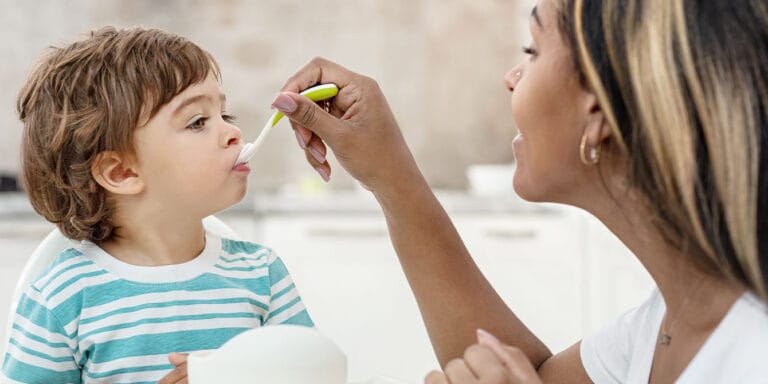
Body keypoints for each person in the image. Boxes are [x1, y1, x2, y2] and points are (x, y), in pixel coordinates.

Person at [270, 0, 768, 382]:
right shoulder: (663, 324)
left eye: (532, 50)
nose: (512, 78)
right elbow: (533, 376)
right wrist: (390, 175)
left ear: (598, 112)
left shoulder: (751, 350)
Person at [2, 27, 313, 384]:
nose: (233, 134)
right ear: (121, 172)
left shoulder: (262, 275)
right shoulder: (61, 299)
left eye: (225, 116)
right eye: (198, 122)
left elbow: (316, 375)